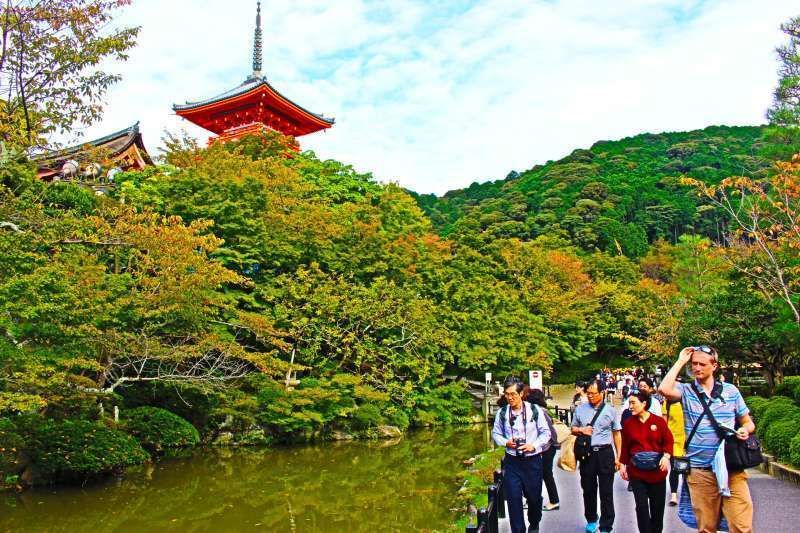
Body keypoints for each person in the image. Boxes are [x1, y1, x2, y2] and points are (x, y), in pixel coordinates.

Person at [658, 346, 756, 533]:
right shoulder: (686, 391)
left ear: (714, 366)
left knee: (741, 526)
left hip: (731, 468)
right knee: (706, 527)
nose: (697, 368)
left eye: (702, 364)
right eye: (694, 364)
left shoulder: (731, 391)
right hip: (700, 470)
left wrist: (744, 430)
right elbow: (664, 389)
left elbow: (748, 423)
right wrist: (680, 361)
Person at [492, 376, 551, 533]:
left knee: (534, 498)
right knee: (513, 500)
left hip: (532, 461)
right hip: (512, 462)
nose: (510, 398)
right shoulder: (502, 413)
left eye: (513, 394)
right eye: (507, 394)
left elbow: (546, 434)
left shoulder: (534, 410)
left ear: (521, 393)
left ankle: (534, 521)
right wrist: (506, 442)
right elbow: (496, 434)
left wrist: (533, 445)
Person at [571, 379, 622, 533]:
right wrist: (581, 430)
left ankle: (607, 524)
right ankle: (591, 519)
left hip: (605, 453)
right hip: (587, 453)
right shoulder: (580, 409)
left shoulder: (611, 410)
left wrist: (619, 457)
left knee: (606, 491)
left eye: (594, 393)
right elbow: (572, 428)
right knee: (588, 489)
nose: (591, 396)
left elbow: (617, 434)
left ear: (602, 392)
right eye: (588, 393)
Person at [620, 391, 673, 533]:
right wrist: (622, 465)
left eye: (633, 403)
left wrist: (666, 456)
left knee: (657, 507)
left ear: (644, 403)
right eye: (629, 403)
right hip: (637, 472)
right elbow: (625, 446)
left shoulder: (658, 421)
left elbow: (668, 440)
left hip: (657, 470)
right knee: (641, 506)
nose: (630, 406)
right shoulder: (628, 423)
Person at [527, 388, 561, 512]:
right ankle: (532, 500)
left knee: (546, 474)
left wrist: (554, 444)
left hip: (547, 447)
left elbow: (550, 431)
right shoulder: (539, 410)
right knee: (539, 474)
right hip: (545, 447)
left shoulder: (538, 411)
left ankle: (554, 500)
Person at [663, 397, 686, 506]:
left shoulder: (686, 402)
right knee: (675, 468)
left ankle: (689, 493)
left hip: (687, 441)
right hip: (673, 440)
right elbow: (664, 423)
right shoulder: (667, 403)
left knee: (688, 469)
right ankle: (673, 495)